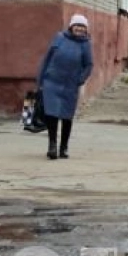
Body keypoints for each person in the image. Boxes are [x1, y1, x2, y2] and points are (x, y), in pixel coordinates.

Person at [36, 14, 94, 160]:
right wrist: (41, 79)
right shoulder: (60, 38)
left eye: (82, 27)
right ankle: (52, 146)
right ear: (71, 26)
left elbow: (89, 65)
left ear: (86, 29)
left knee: (67, 116)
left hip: (70, 85)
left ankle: (64, 147)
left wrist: (79, 80)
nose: (79, 29)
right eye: (77, 25)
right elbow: (47, 58)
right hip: (52, 82)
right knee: (52, 114)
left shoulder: (85, 44)